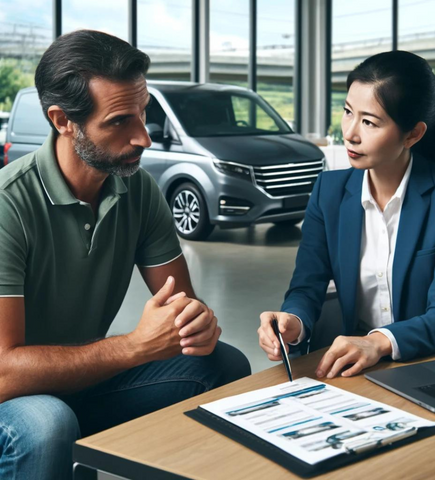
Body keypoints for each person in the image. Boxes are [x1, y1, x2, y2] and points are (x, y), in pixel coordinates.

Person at [0, 30, 250, 479]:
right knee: (45, 422)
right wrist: (135, 346)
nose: (143, 138)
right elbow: (3, 372)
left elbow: (182, 313)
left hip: (80, 382)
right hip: (12, 400)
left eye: (143, 113)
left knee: (224, 364)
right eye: (119, 122)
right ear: (63, 120)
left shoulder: (138, 190)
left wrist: (198, 325)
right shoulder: (7, 205)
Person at [258, 50, 435, 379]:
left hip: (427, 366)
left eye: (369, 122)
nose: (350, 132)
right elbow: (308, 285)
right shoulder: (328, 191)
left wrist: (378, 342)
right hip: (355, 368)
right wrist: (295, 321)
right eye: (348, 112)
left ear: (413, 134)